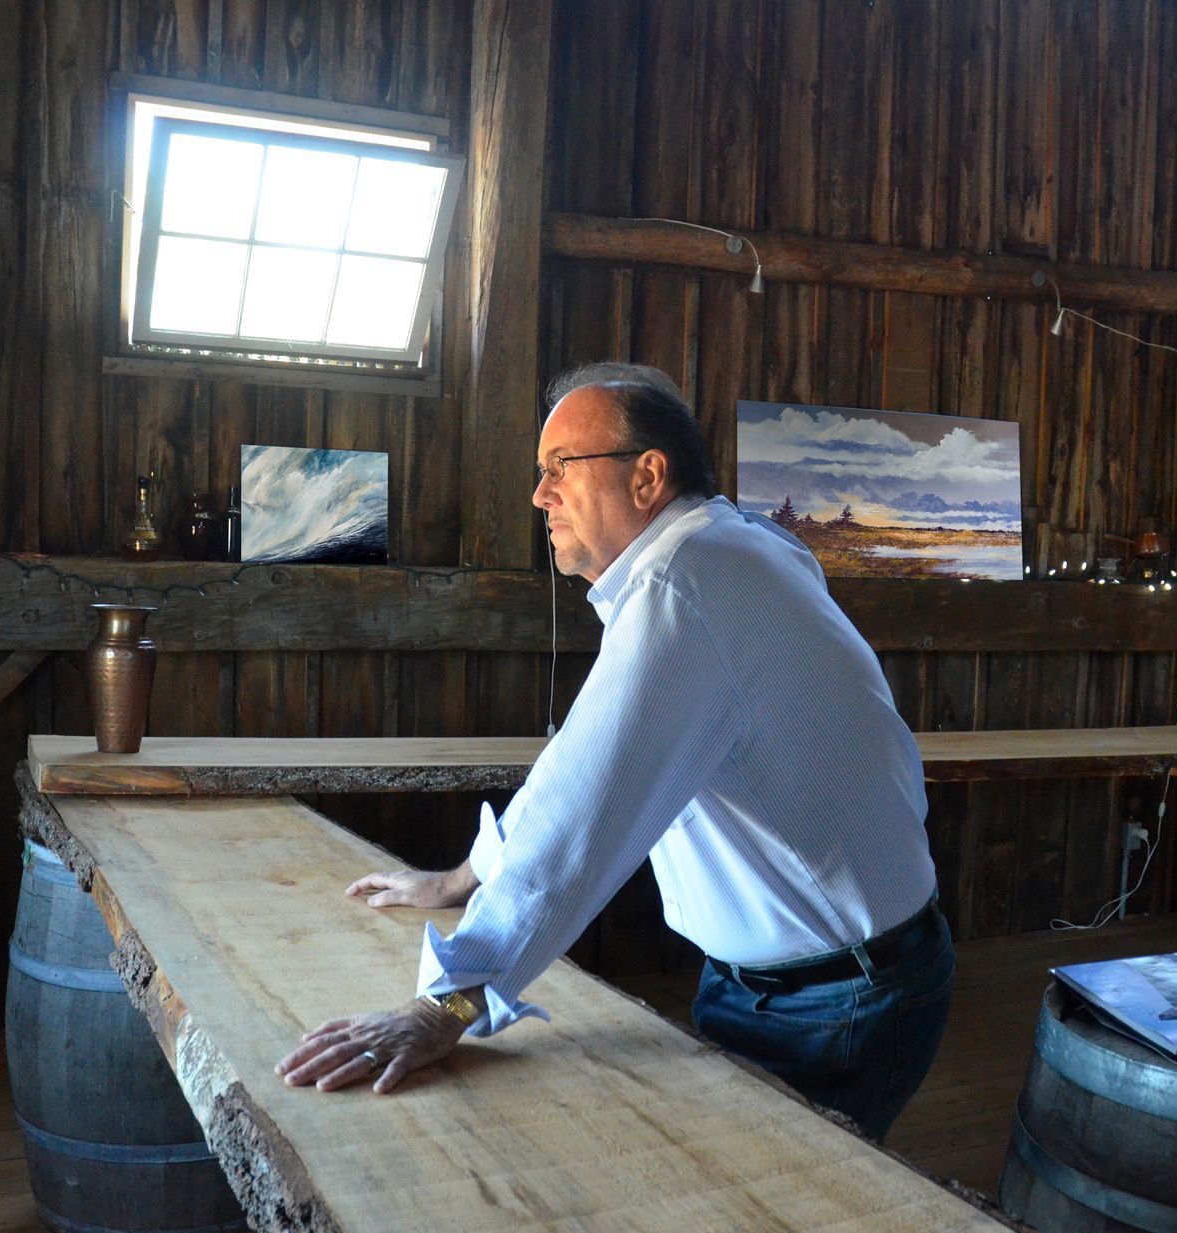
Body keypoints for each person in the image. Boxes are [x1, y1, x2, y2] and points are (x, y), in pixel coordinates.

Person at [274, 363, 952, 1140]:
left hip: (837, 1005)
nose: (540, 495)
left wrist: (441, 1010)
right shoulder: (732, 547)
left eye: (560, 468)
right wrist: (465, 878)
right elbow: (583, 769)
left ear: (646, 476)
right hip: (819, 978)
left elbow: (577, 829)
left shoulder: (684, 588)